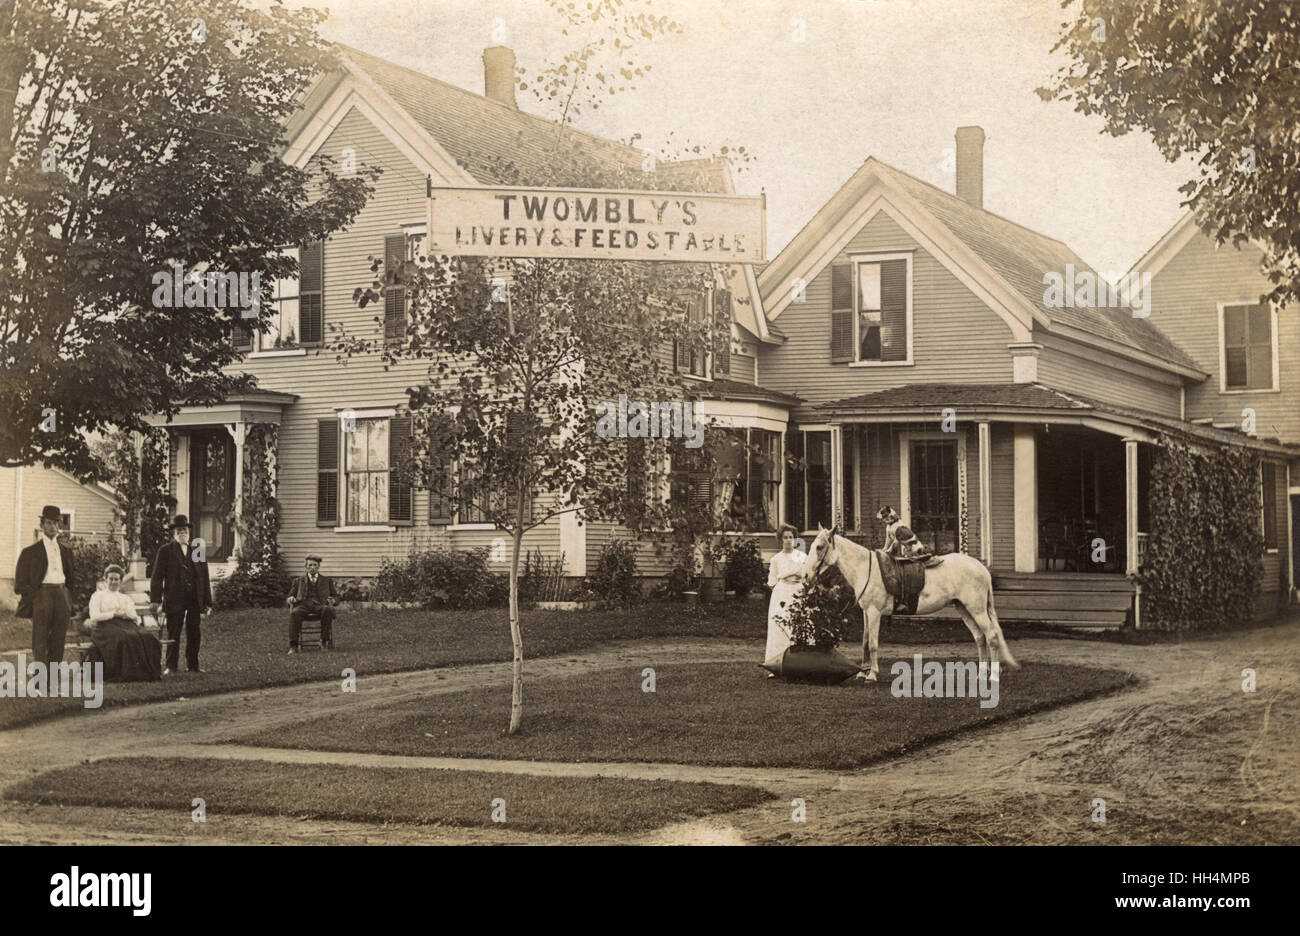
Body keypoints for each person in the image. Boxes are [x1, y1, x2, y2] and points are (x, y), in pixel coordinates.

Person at [149, 514, 212, 675]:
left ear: (189, 531)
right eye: (179, 530)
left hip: (194, 598)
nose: (182, 532)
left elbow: (204, 576)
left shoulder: (197, 550)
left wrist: (207, 601)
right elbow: (157, 576)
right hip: (174, 597)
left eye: (184, 529)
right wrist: (155, 600)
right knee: (173, 631)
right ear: (174, 533)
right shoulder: (166, 551)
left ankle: (193, 665)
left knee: (194, 632)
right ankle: (171, 666)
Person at [13, 505, 75, 667]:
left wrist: (67, 596)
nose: (52, 526)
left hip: (61, 595)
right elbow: (19, 583)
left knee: (58, 640)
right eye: (48, 523)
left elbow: (71, 578)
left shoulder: (66, 550)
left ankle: (53, 682)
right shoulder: (30, 552)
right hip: (42, 596)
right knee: (40, 641)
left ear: (59, 525)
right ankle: (40, 682)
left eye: (56, 523)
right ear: (42, 525)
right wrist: (35, 596)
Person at [85, 565, 162, 681]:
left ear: (120, 581)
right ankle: (127, 673)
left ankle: (146, 672)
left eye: (116, 579)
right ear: (105, 579)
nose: (113, 582)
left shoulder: (125, 598)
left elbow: (136, 618)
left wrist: (128, 616)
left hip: (126, 625)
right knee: (124, 637)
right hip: (104, 628)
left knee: (148, 637)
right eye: (110, 578)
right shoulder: (97, 596)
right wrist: (114, 614)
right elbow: (94, 616)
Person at [765, 523, 807, 668]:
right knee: (779, 626)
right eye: (785, 537)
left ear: (795, 539)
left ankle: (800, 663)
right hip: (782, 592)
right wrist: (780, 589)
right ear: (781, 539)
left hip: (798, 591)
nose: (788, 540)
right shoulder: (776, 559)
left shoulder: (802, 556)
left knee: (799, 624)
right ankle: (775, 664)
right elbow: (772, 581)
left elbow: (806, 575)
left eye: (791, 537)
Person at [286, 554, 338, 653]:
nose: (312, 568)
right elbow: (289, 596)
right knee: (294, 613)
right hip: (303, 605)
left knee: (327, 610)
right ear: (306, 567)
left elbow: (336, 596)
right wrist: (290, 598)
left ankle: (324, 641)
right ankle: (293, 645)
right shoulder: (298, 581)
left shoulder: (327, 580)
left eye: (314, 565)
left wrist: (333, 600)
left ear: (318, 566)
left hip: (319, 605)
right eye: (309, 565)